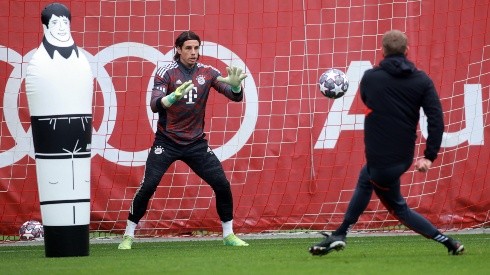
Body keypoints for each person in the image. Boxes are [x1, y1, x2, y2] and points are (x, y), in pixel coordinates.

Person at [309, 30, 464, 256]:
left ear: (382, 51)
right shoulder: (422, 80)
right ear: (406, 50)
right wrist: (429, 156)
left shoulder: (371, 78)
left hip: (381, 158)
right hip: (402, 157)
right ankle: (340, 234)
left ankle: (448, 242)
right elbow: (436, 120)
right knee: (366, 178)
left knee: (398, 209)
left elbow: (367, 99)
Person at [118, 30, 249, 249]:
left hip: (196, 144)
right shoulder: (166, 72)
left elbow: (234, 96)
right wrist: (171, 97)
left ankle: (228, 235)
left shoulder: (207, 72)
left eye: (196, 48)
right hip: (166, 142)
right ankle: (128, 235)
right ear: (178, 49)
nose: (193, 52)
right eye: (188, 48)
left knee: (222, 184)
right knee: (148, 186)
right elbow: (154, 104)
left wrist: (236, 87)